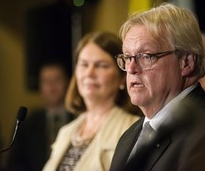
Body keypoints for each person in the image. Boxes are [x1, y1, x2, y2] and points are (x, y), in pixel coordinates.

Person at [110, 3, 205, 171]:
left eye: (146, 56)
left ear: (186, 62)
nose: (131, 68)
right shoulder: (129, 137)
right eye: (128, 57)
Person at [43, 31, 140, 171]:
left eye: (101, 65)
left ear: (122, 76)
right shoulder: (66, 132)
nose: (89, 73)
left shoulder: (133, 130)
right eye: (84, 64)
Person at [6, 61, 73, 171]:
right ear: (40, 86)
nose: (52, 86)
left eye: (57, 80)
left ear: (67, 82)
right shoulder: (27, 122)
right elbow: (13, 162)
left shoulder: (80, 119)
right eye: (46, 81)